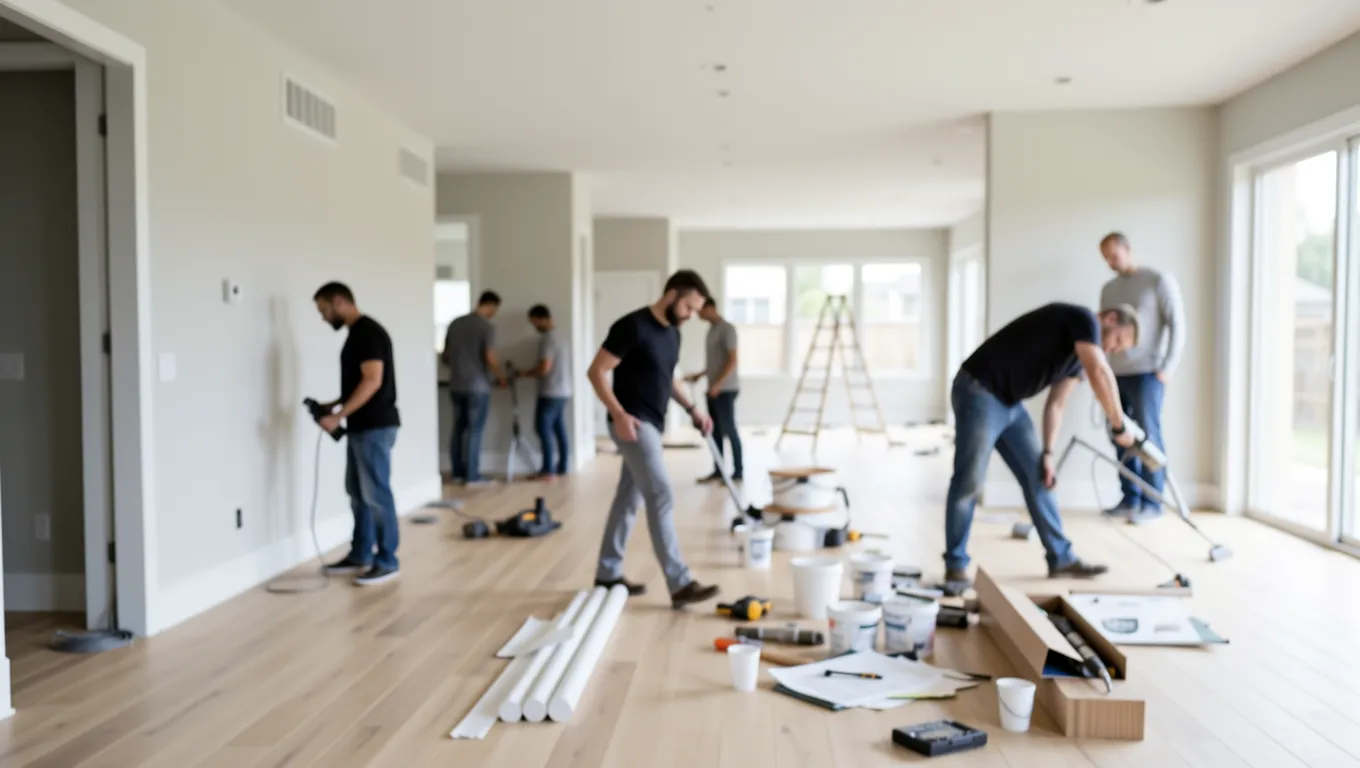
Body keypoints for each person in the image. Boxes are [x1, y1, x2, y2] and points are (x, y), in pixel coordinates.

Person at [942, 301, 1140, 594]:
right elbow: (1100, 370)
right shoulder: (1083, 319)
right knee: (970, 479)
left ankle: (1061, 558)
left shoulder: (1077, 361)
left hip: (1010, 404)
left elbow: (1057, 404)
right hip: (979, 390)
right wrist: (1119, 424)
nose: (1114, 350)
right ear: (1110, 319)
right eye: (1119, 340)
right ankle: (955, 565)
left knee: (1040, 476)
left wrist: (1048, 453)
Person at [586, 269, 723, 608]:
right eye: (689, 307)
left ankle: (607, 573)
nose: (691, 316)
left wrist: (692, 407)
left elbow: (668, 378)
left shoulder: (673, 335)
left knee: (628, 499)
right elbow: (597, 371)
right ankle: (680, 583)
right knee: (660, 492)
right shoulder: (631, 326)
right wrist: (618, 415)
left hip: (654, 423)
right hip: (633, 423)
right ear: (673, 294)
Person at [312, 282, 402, 586]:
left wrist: (339, 416)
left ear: (339, 302)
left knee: (376, 493)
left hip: (375, 425)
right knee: (357, 492)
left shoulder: (368, 333)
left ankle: (387, 559)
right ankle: (361, 553)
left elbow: (373, 381)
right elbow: (359, 383)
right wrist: (333, 404)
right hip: (362, 426)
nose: (323, 318)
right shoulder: (358, 333)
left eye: (324, 310)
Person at [1099, 232, 1186, 524]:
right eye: (1105, 258)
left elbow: (1177, 324)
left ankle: (1153, 502)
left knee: (1149, 436)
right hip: (1115, 373)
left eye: (1114, 255)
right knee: (1119, 435)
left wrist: (1168, 368)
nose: (1111, 262)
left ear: (1127, 248)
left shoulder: (1157, 281)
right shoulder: (1108, 289)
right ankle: (1130, 497)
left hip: (1149, 372)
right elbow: (1104, 331)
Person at [442, 291, 506, 486]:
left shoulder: (455, 323)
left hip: (456, 385)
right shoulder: (486, 327)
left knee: (458, 428)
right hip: (477, 386)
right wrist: (501, 378)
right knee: (474, 430)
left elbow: (445, 356)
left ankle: (457, 473)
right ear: (491, 306)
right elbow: (490, 358)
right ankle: (472, 475)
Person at [687, 298, 743, 482]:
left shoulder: (727, 329)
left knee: (729, 429)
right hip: (713, 388)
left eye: (700, 311)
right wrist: (701, 374)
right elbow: (715, 362)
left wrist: (719, 384)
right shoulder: (711, 330)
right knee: (715, 431)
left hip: (725, 389)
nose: (698, 315)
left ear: (710, 308)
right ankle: (719, 470)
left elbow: (732, 360)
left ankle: (738, 472)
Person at [521, 304, 572, 478]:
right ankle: (563, 466)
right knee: (559, 430)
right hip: (564, 390)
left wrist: (525, 373)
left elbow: (544, 368)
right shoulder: (562, 336)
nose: (534, 326)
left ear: (541, 318)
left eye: (534, 321)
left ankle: (547, 470)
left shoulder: (548, 339)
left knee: (543, 429)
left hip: (550, 391)